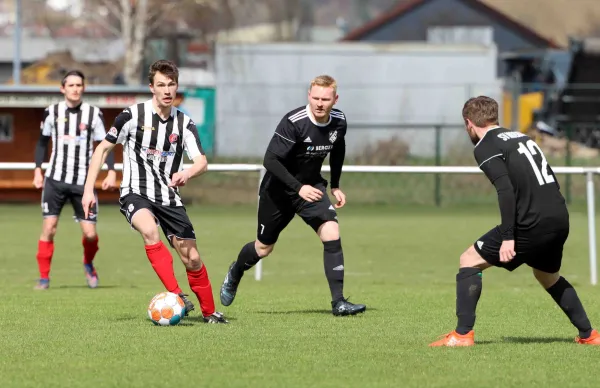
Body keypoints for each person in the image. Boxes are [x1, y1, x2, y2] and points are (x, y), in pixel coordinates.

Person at [429, 96, 600, 346]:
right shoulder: (521, 137)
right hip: (559, 216)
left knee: (468, 260)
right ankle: (589, 335)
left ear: (469, 123)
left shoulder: (485, 145)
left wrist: (508, 236)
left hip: (531, 222)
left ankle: (462, 335)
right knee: (547, 276)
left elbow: (505, 190)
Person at [81, 59, 227, 324]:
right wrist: (88, 190)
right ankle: (176, 294)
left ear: (176, 87)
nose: (167, 90)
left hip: (169, 196)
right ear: (151, 87)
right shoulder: (131, 116)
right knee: (149, 230)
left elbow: (202, 162)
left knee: (192, 258)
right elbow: (102, 149)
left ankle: (210, 313)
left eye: (171, 84)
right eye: (161, 85)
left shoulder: (184, 123)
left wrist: (187, 173)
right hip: (135, 191)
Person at [219, 75, 366, 317]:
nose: (319, 103)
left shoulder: (339, 121)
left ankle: (338, 302)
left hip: (312, 187)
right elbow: (270, 160)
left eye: (325, 99)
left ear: (335, 99)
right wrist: (298, 188)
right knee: (264, 248)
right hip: (278, 191)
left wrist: (336, 185)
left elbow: (338, 148)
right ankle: (235, 271)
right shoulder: (294, 122)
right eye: (316, 97)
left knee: (331, 232)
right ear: (309, 95)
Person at [32, 70, 117, 290]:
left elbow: (104, 145)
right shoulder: (51, 112)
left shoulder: (93, 113)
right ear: (63, 89)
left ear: (83, 88)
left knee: (90, 234)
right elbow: (42, 143)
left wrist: (110, 171)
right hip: (55, 180)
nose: (75, 89)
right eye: (71, 85)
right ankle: (44, 278)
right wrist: (37, 171)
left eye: (79, 85)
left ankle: (88, 263)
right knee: (49, 228)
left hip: (83, 183)